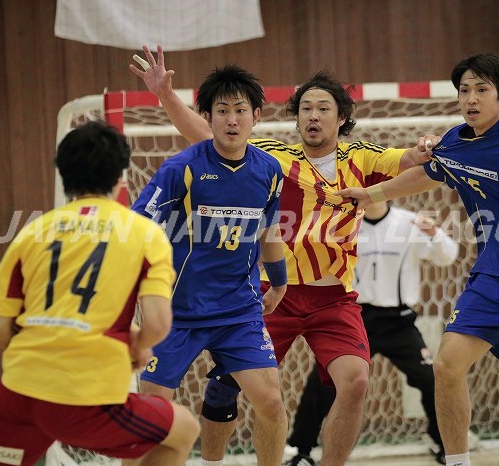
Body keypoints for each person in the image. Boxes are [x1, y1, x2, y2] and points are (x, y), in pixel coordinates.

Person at [129, 45, 434, 466]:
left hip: (331, 297)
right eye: (305, 108)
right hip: (272, 294)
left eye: (323, 108)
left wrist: (427, 149)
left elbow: (418, 163)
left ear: (341, 117)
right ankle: (211, 457)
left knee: (354, 382)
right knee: (223, 387)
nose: (313, 116)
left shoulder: (362, 158)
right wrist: (165, 95)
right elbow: (211, 136)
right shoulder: (274, 158)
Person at [336, 53, 499, 466]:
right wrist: (369, 194)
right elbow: (426, 174)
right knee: (446, 366)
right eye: (464, 90)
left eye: (481, 89)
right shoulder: (455, 143)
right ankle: (458, 462)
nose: (471, 98)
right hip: (493, 279)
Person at [0, 121, 199, 466]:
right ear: (120, 177)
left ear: (63, 174)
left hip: (22, 389)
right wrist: (137, 344)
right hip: (88, 395)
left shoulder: (31, 233)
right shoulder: (144, 234)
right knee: (184, 429)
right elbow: (158, 326)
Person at [129, 64, 289, 466]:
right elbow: (134, 229)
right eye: (222, 111)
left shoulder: (269, 170)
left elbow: (269, 231)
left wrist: (279, 282)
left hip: (238, 311)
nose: (232, 120)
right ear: (207, 117)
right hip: (176, 313)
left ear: (256, 116)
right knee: (151, 416)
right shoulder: (181, 168)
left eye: (240, 110)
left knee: (271, 402)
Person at [285, 202, 458, 466]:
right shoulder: (343, 224)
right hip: (354, 318)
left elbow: (447, 257)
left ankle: (444, 444)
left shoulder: (409, 223)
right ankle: (301, 449)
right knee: (323, 381)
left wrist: (435, 233)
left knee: (429, 378)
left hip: (398, 322)